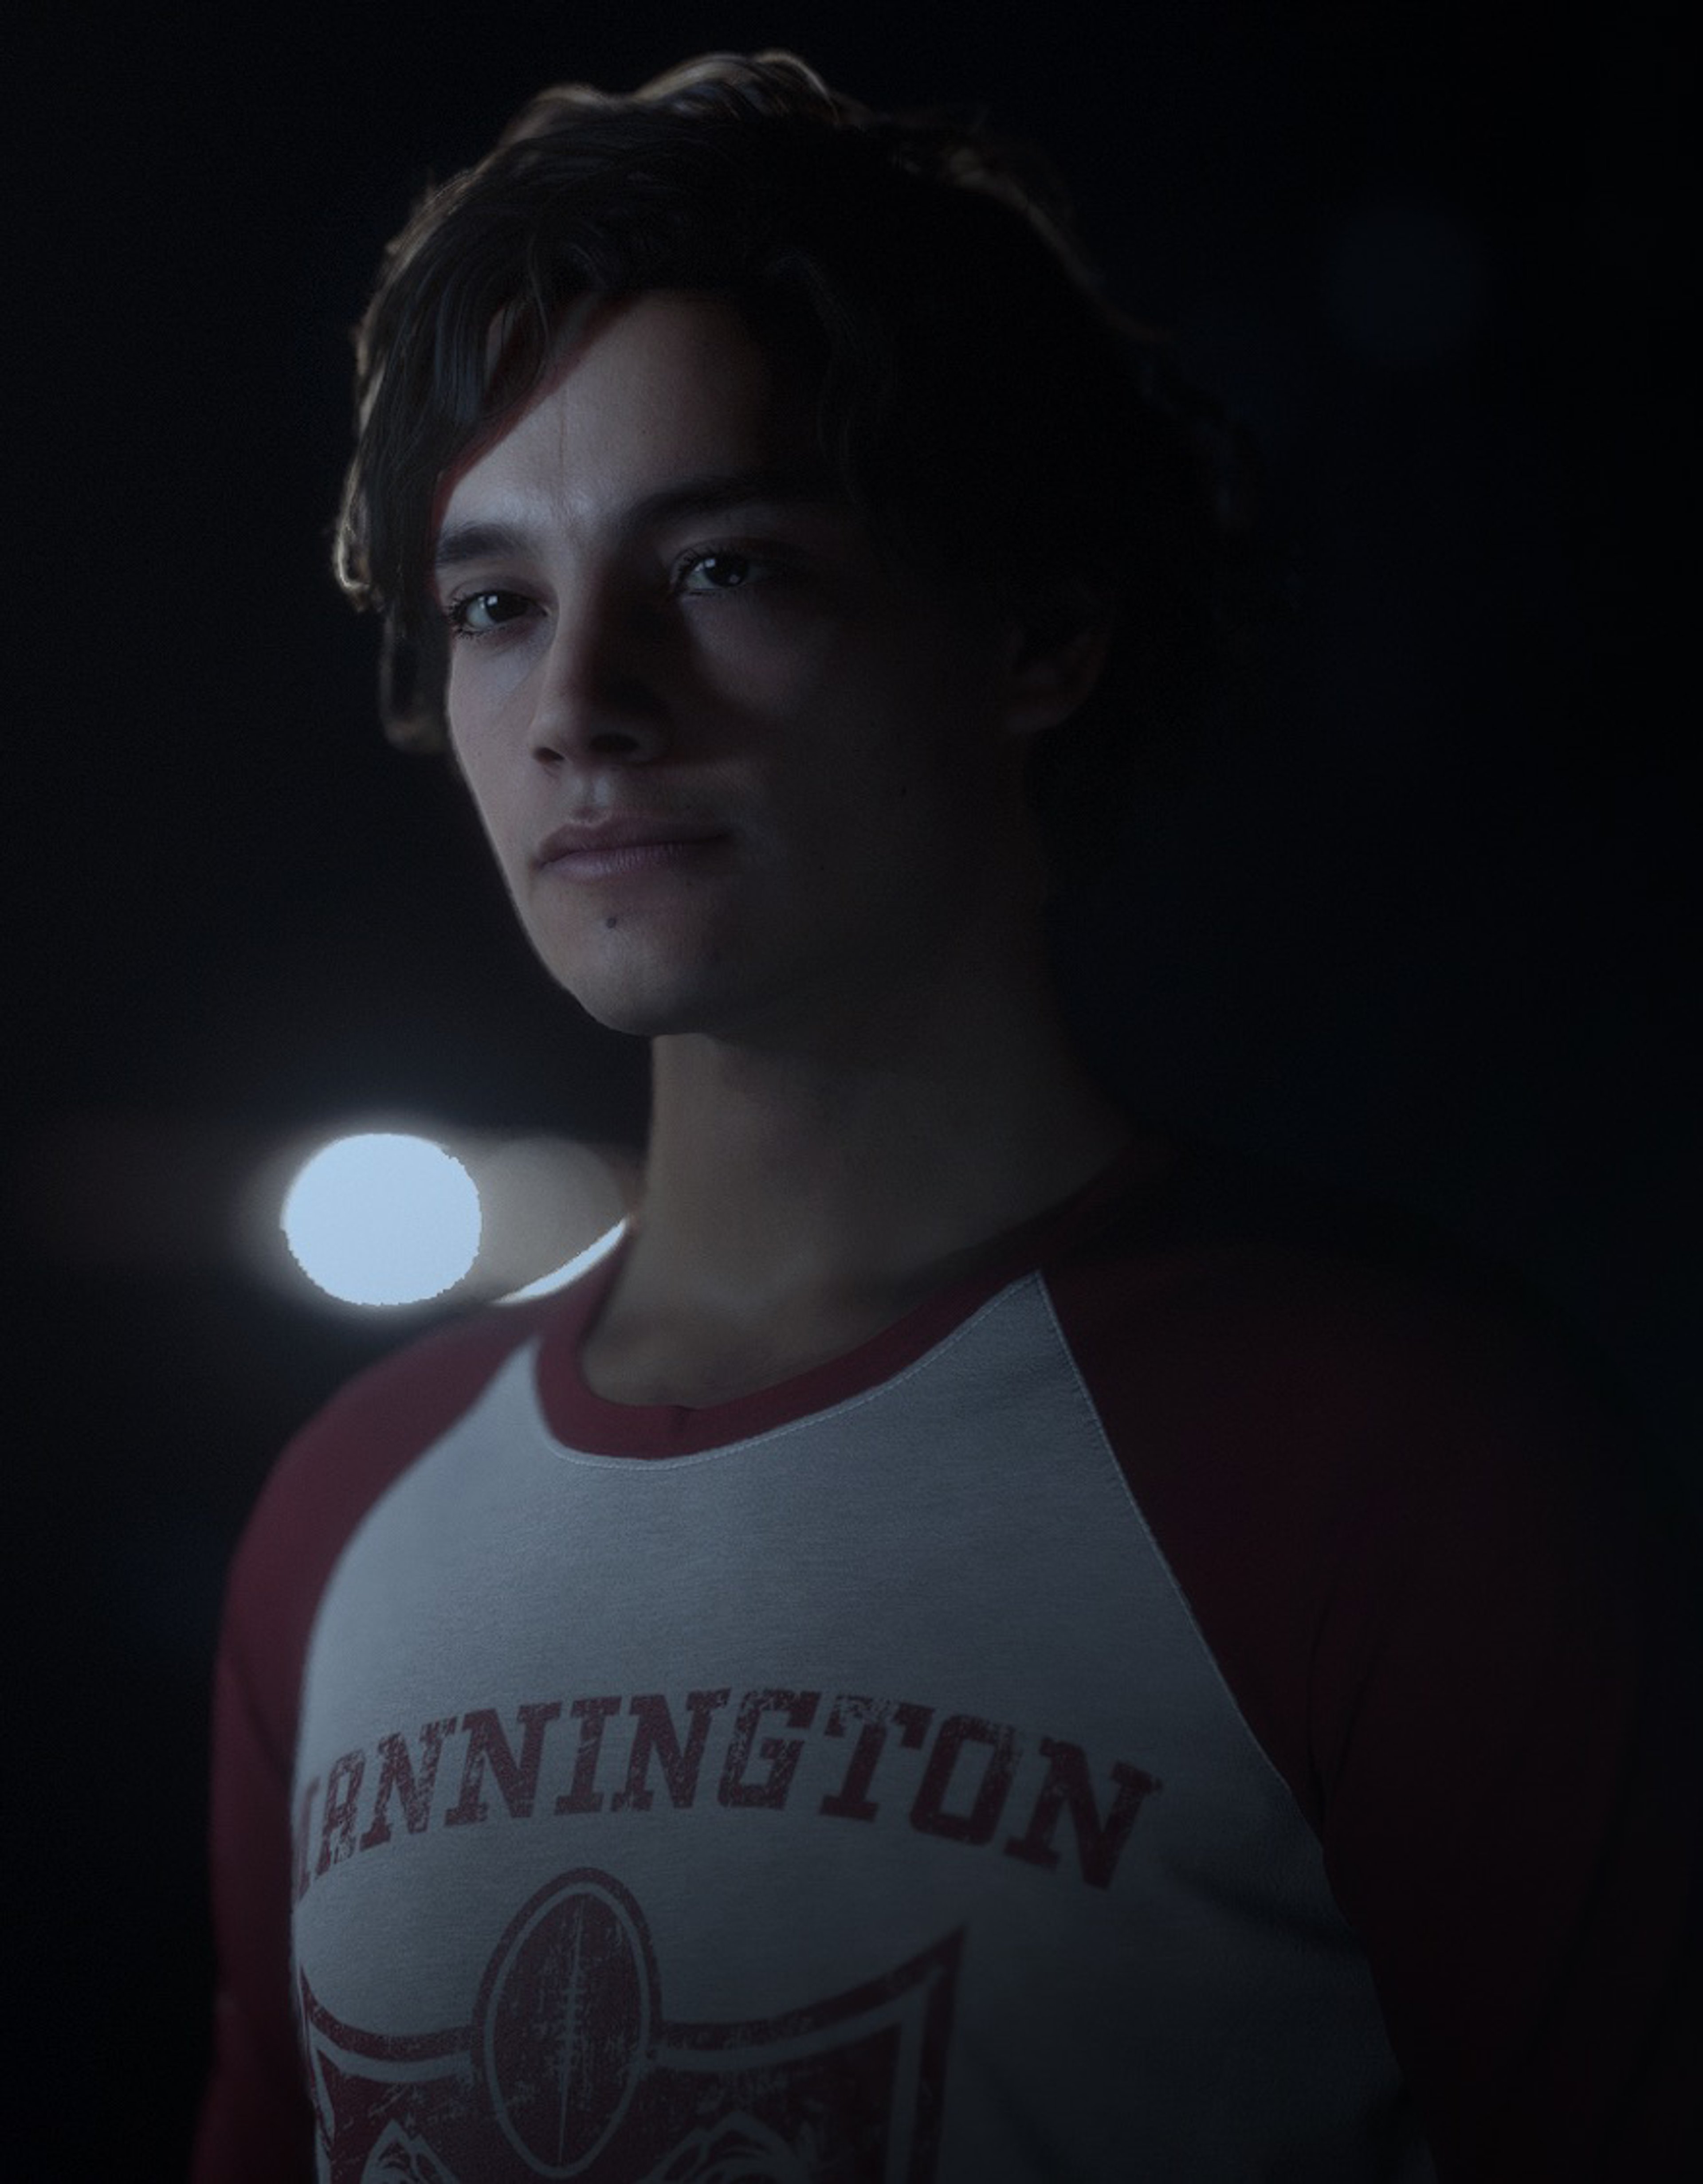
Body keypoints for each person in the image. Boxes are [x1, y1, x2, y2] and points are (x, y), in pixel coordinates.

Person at [196, 52, 1699, 2183]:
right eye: (499, 604)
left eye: (723, 568)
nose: (585, 707)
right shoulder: (346, 1518)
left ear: (1040, 627)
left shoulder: (1399, 1457)